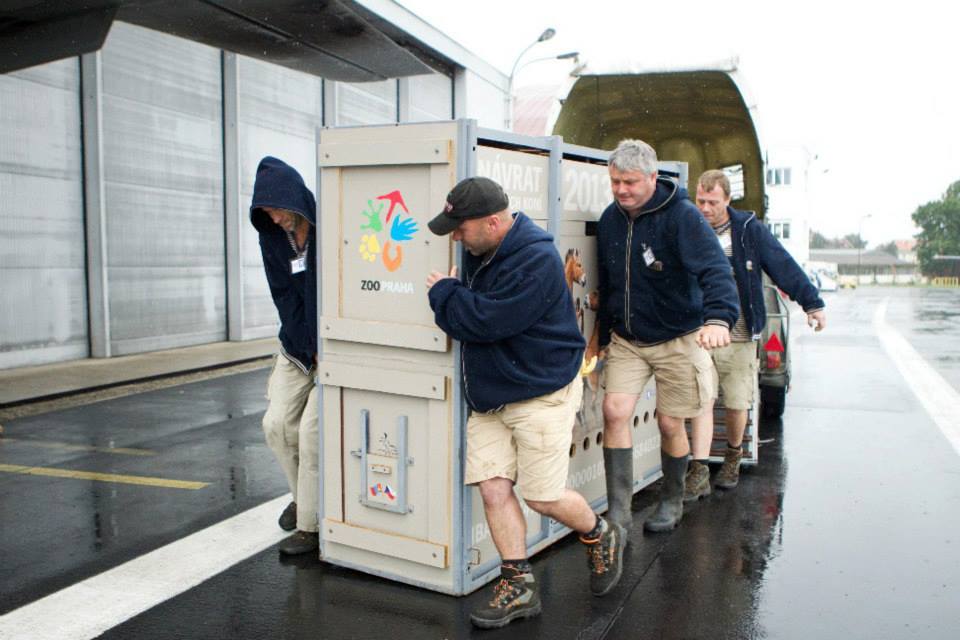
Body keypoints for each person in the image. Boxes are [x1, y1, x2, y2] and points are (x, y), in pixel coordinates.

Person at [425, 177, 626, 629]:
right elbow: (475, 314)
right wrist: (459, 297)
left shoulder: (535, 259)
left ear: (493, 222)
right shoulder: (480, 249)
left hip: (540, 393)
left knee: (543, 496)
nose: (456, 237)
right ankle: (518, 585)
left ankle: (599, 531)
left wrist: (444, 293)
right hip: (492, 396)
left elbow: (480, 321)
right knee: (494, 488)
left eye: (461, 228)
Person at [596, 140, 740, 534]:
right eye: (615, 182)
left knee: (670, 423)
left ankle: (672, 500)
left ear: (652, 178)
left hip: (678, 337)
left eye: (629, 182)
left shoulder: (682, 218)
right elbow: (608, 281)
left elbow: (716, 271)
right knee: (614, 411)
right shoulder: (611, 219)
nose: (621, 190)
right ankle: (620, 513)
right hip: (629, 338)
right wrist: (601, 334)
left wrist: (718, 320)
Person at [685, 170, 826, 497]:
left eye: (712, 202)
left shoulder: (749, 231)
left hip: (739, 332)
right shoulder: (689, 228)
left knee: (735, 401)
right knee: (701, 401)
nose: (705, 208)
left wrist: (812, 304)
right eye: (700, 201)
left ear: (728, 200)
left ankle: (733, 455)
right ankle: (699, 469)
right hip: (698, 332)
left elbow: (782, 264)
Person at [249, 156, 320, 556]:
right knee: (276, 425)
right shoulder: (272, 237)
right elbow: (284, 295)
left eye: (276, 210)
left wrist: (324, 349)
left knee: (310, 434)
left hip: (332, 347)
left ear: (294, 199)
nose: (274, 220)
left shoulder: (329, 226)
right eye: (266, 214)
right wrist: (305, 348)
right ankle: (302, 496)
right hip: (296, 348)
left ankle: (310, 526)